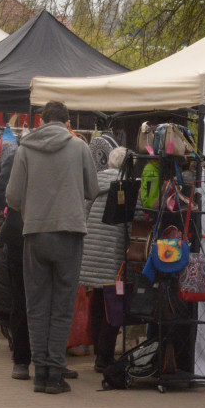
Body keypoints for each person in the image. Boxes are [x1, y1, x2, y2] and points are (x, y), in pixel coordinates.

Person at [6, 101, 98, 394]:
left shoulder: (24, 149)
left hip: (35, 232)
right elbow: (92, 190)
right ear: (68, 122)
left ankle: (39, 372)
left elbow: (11, 197)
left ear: (43, 120)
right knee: (62, 305)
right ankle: (55, 374)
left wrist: (32, 208)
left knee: (36, 305)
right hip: (69, 232)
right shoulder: (79, 148)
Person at [0, 140, 32, 380]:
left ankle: (50, 360)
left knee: (51, 300)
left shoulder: (71, 153)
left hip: (49, 236)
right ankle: (22, 359)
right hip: (20, 237)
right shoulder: (17, 157)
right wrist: (21, 208)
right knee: (21, 299)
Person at [81, 141, 126, 373]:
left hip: (91, 251)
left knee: (98, 303)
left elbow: (84, 213)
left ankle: (98, 351)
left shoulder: (94, 183)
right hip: (113, 253)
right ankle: (105, 357)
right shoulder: (126, 186)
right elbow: (134, 216)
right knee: (113, 306)